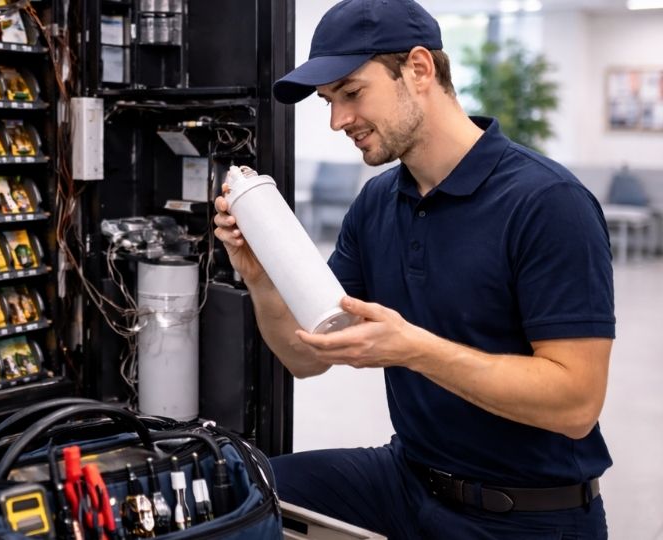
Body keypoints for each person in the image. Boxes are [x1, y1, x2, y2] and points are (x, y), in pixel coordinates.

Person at [213, 0, 615, 538]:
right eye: (330, 102)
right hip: (407, 478)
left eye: (352, 93)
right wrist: (260, 277)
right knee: (234, 487)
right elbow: (307, 357)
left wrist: (413, 349)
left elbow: (576, 405)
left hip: (528, 511)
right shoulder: (378, 203)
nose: (338, 121)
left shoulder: (547, 202)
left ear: (420, 69)